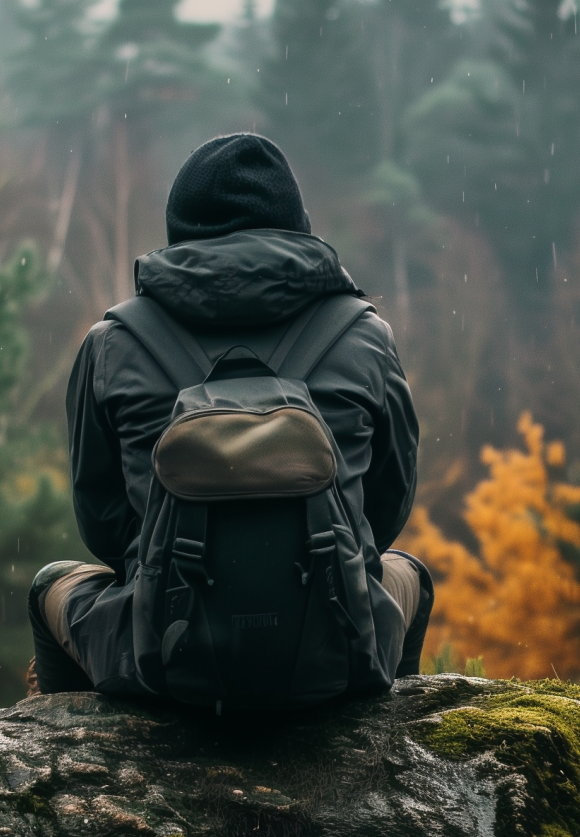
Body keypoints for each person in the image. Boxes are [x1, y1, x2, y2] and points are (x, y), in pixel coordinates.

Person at [27, 133, 430, 710]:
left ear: (180, 232)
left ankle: (65, 758)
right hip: (337, 656)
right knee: (408, 574)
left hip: (163, 663)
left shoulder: (113, 343)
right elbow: (386, 508)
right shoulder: (365, 336)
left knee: (51, 586)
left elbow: (103, 524)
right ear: (297, 226)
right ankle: (393, 747)